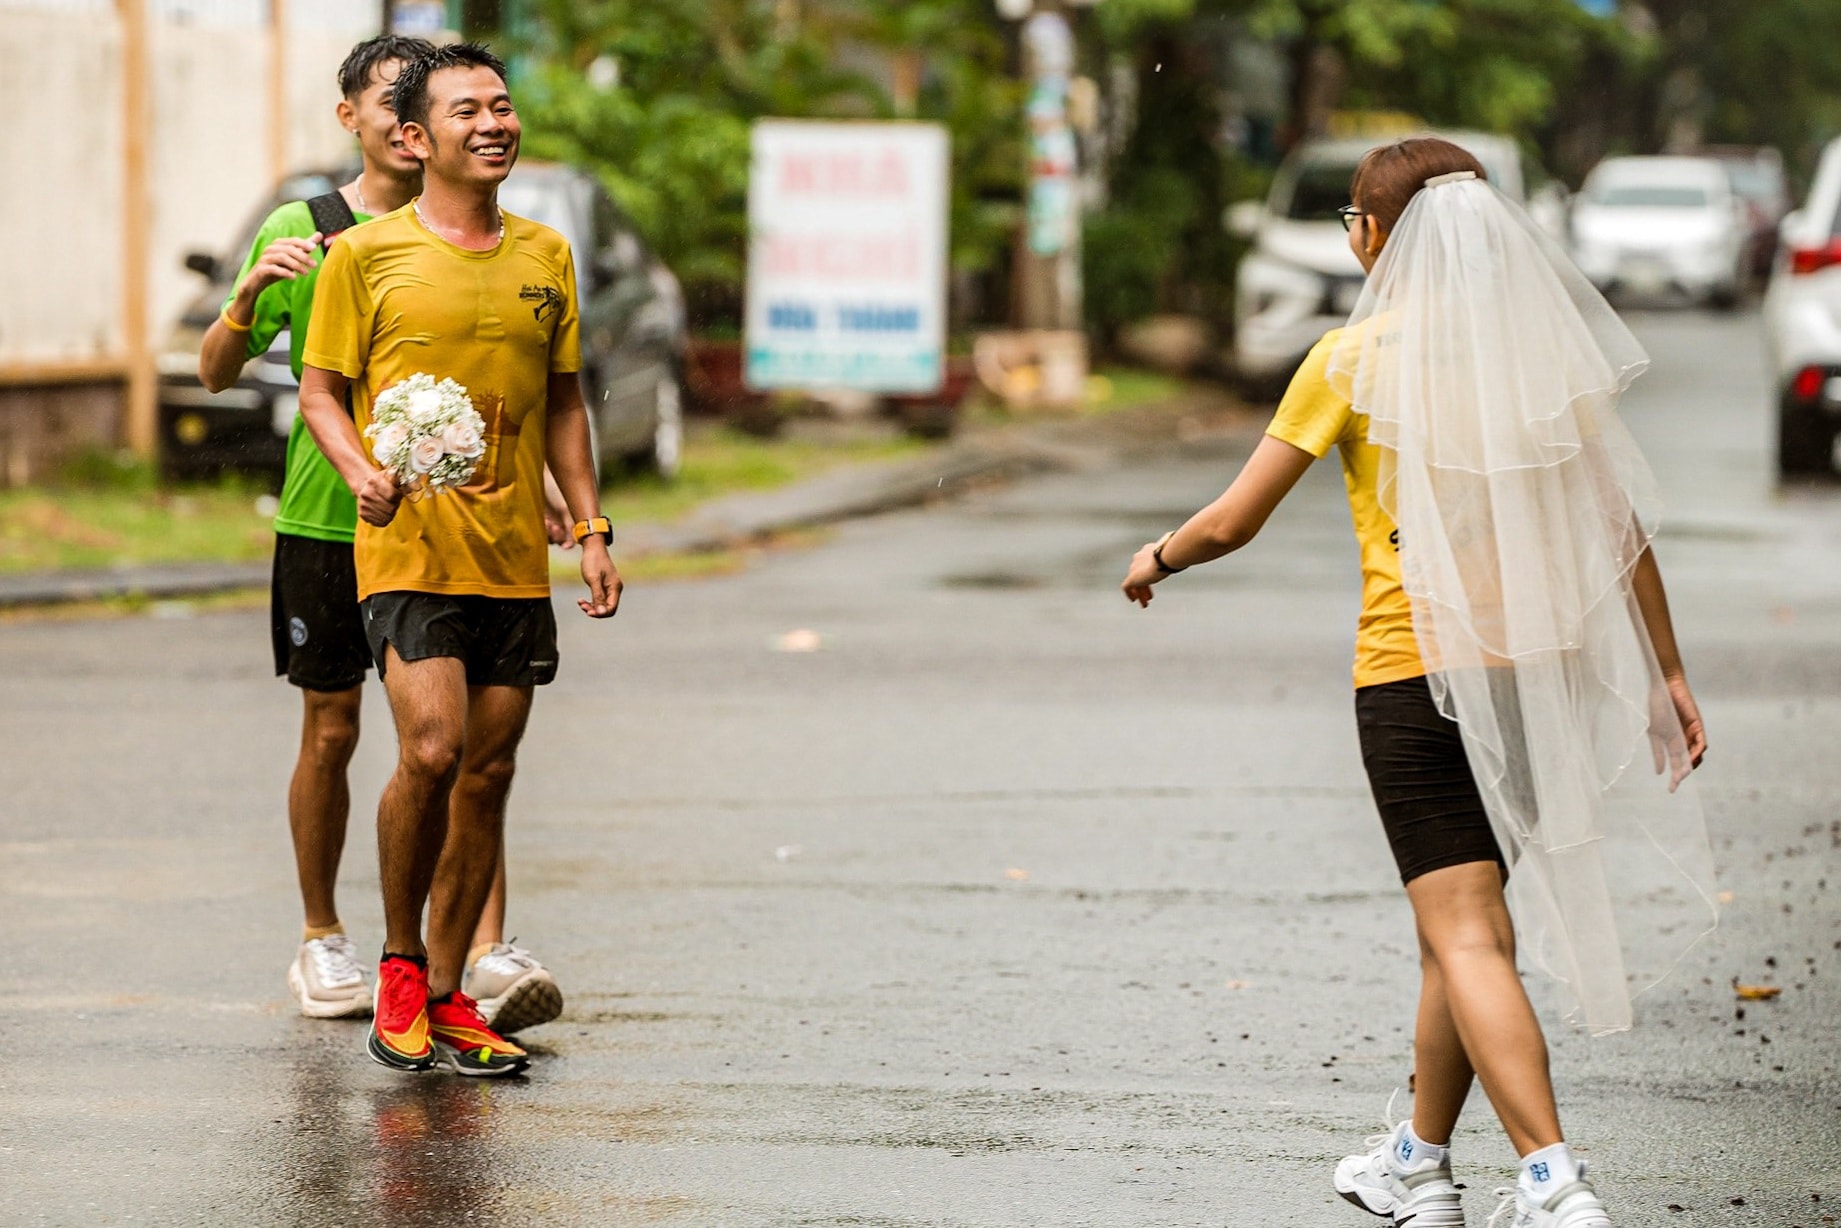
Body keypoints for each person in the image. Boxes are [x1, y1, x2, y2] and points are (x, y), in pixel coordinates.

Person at [1120, 137, 1718, 1228]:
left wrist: (1155, 555)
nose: (1352, 235)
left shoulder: (1349, 360)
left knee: (1464, 934)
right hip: (1533, 681)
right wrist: (1663, 671)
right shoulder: (1540, 362)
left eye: (1354, 219)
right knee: (1461, 930)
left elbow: (1231, 520)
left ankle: (1550, 1179)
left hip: (1412, 681)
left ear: (1377, 235)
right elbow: (1618, 529)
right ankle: (1419, 1163)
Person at [299, 41, 620, 1077]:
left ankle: (447, 994)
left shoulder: (545, 255)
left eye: (503, 105)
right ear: (415, 136)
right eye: (467, 109)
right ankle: (398, 965)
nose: (493, 122)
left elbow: (564, 400)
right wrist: (358, 470)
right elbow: (319, 393)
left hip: (513, 559)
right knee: (430, 751)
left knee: (487, 773)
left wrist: (593, 525)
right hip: (403, 548)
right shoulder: (365, 255)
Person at [199, 34, 431, 1020]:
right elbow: (214, 370)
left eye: (434, 100)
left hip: (442, 524)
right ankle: (320, 938)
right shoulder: (308, 225)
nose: (413, 118)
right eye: (394, 99)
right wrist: (251, 293)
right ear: (353, 116)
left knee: (446, 743)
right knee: (332, 728)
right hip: (325, 519)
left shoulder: (462, 225)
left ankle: (456, 948)